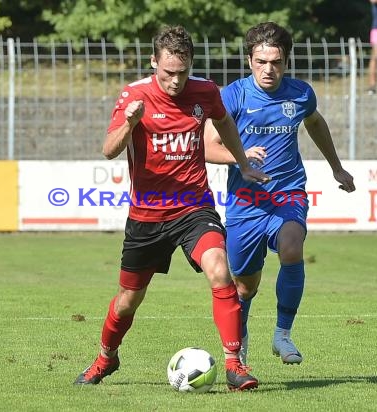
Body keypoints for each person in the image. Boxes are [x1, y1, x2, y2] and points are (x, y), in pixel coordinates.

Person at [73, 25, 269, 391]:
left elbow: (224, 123)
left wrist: (240, 161)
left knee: (220, 271)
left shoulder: (206, 92)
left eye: (182, 72)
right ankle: (105, 358)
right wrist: (130, 122)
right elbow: (109, 149)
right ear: (154, 63)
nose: (176, 81)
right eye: (168, 73)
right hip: (147, 216)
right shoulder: (135, 95)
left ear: (190, 65)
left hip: (193, 207)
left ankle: (234, 365)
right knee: (128, 301)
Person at [204, 22, 356, 366]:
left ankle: (283, 334)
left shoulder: (301, 94)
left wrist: (336, 167)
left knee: (292, 246)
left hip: (287, 194)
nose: (268, 69)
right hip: (245, 203)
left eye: (276, 62)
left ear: (286, 62)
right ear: (249, 61)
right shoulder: (233, 96)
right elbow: (206, 147)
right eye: (261, 61)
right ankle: (238, 342)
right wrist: (241, 161)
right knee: (244, 286)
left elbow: (315, 123)